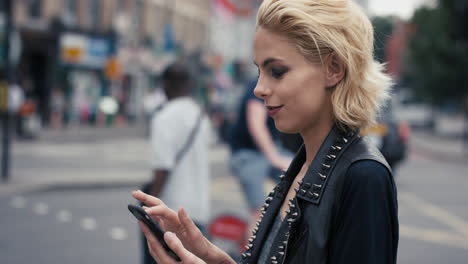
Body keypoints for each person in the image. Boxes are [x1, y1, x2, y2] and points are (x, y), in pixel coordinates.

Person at [132, 0, 399, 263]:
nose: (259, 88)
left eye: (277, 71)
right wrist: (215, 259)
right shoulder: (303, 164)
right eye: (259, 71)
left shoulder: (364, 177)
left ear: (334, 69)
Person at [141, 63, 212, 264]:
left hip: (170, 211)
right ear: (189, 85)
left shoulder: (164, 117)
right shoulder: (200, 117)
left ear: (165, 85)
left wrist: (150, 203)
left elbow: (162, 167)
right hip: (199, 210)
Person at [228, 78, 292, 240]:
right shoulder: (259, 85)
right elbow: (256, 124)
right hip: (249, 154)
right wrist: (274, 158)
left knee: (303, 182)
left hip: (271, 149)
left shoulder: (285, 85)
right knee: (259, 212)